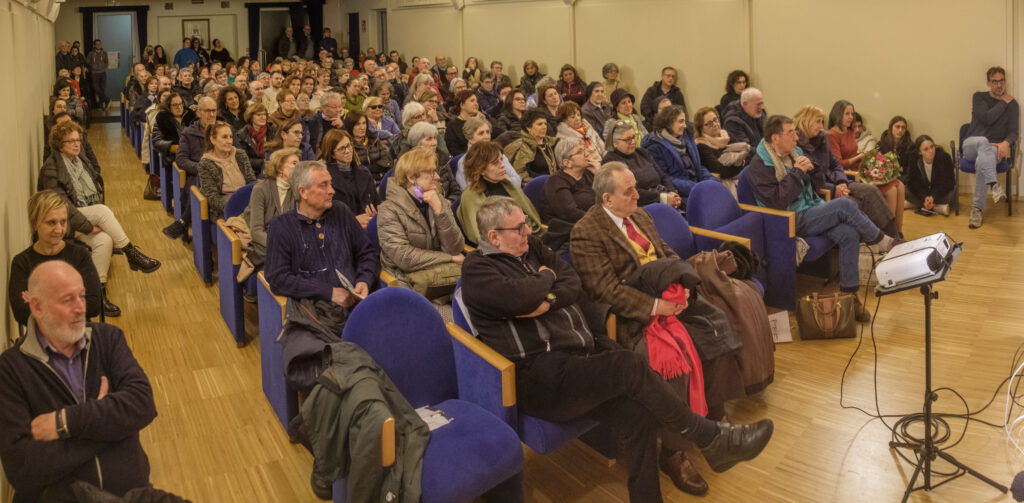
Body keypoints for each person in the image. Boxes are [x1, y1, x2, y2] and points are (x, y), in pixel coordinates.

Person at [466, 195, 773, 502]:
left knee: (637, 413)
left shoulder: (532, 249)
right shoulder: (477, 271)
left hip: (577, 355)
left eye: (525, 226)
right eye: (518, 228)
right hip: (538, 375)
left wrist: (546, 299)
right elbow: (523, 296)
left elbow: (572, 283)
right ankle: (710, 438)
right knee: (630, 365)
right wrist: (547, 277)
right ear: (494, 237)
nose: (528, 233)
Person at [0, 261, 158, 501]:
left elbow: (143, 404)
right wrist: (108, 424)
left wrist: (65, 422)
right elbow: (22, 467)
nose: (81, 308)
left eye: (82, 296)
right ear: (37, 307)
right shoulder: (10, 369)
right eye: (67, 300)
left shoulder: (108, 339)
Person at [749, 115, 896, 314]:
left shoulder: (795, 152)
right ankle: (883, 241)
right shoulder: (760, 165)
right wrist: (798, 172)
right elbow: (777, 201)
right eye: (791, 133)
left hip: (809, 207)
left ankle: (849, 297)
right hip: (787, 220)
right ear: (775, 138)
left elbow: (817, 184)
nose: (796, 137)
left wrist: (812, 169)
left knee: (848, 233)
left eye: (795, 131)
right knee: (845, 206)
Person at [40, 121, 161, 291]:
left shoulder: (78, 160)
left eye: (78, 140)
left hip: (78, 216)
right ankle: (131, 253)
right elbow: (62, 207)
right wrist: (89, 227)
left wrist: (93, 227)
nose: (77, 144)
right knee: (102, 211)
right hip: (62, 223)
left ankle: (98, 292)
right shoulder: (51, 168)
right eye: (71, 141)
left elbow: (94, 180)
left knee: (104, 240)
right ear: (59, 144)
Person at [264, 160, 377, 318]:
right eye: (323, 185)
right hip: (314, 312)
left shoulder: (341, 212)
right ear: (303, 192)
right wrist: (328, 292)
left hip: (357, 304)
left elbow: (367, 252)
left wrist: (364, 280)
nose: (331, 191)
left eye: (330, 184)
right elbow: (278, 278)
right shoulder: (282, 226)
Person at [376, 147, 465, 300]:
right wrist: (447, 258)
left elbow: (455, 247)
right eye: (430, 172)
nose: (437, 177)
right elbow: (404, 258)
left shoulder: (436, 199)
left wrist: (440, 212)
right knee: (450, 320)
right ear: (411, 178)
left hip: (442, 277)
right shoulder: (389, 210)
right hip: (408, 283)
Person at [9, 191, 104, 323]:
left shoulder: (80, 256)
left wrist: (42, 302)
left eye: (63, 222)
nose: (59, 230)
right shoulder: (22, 262)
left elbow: (93, 305)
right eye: (51, 222)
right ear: (35, 223)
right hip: (40, 340)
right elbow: (21, 313)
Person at [828, 101, 906, 234]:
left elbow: (853, 154)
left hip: (859, 169)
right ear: (838, 114)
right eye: (847, 114)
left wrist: (869, 159)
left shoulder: (848, 131)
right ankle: (889, 235)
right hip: (849, 175)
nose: (851, 117)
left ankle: (898, 232)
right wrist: (859, 157)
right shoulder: (831, 135)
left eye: (852, 113)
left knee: (900, 186)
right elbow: (838, 164)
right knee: (891, 190)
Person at [458, 141, 542, 245]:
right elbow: (479, 236)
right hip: (500, 248)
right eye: (495, 163)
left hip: (527, 236)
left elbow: (529, 217)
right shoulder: (470, 196)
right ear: (481, 169)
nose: (502, 165)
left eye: (501, 159)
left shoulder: (508, 186)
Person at [165, 97, 219, 240]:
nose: (212, 115)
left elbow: (237, 153)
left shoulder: (224, 130)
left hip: (222, 173)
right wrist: (201, 168)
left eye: (214, 111)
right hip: (197, 174)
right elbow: (181, 159)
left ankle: (183, 221)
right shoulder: (189, 133)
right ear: (199, 113)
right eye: (208, 111)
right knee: (201, 181)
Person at [602, 120, 683, 210]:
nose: (633, 142)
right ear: (614, 143)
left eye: (634, 137)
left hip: (664, 196)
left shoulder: (641, 152)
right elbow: (630, 192)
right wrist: (663, 198)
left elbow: (663, 176)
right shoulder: (610, 161)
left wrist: (672, 193)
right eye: (628, 139)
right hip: (643, 206)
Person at [642, 105, 717, 201]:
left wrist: (712, 182)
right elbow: (667, 179)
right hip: (680, 194)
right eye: (681, 121)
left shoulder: (686, 137)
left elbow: (698, 168)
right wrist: (697, 188)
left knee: (718, 191)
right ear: (669, 123)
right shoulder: (655, 147)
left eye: (685, 121)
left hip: (697, 186)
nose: (685, 125)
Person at [245, 147, 299, 272]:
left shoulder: (297, 190)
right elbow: (256, 231)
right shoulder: (260, 189)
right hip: (265, 241)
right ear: (279, 168)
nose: (299, 167)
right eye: (294, 163)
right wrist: (280, 246)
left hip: (287, 240)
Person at [197, 121, 257, 221]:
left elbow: (251, 181)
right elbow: (212, 198)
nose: (229, 141)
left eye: (230, 136)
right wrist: (236, 205)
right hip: (226, 207)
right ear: (213, 140)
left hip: (248, 200)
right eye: (224, 137)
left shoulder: (240, 155)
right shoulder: (205, 163)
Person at [317, 129, 379, 226]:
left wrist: (375, 214)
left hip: (368, 225)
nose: (348, 151)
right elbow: (324, 216)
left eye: (349, 145)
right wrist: (353, 220)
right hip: (342, 230)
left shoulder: (364, 173)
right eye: (342, 148)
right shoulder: (324, 178)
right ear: (332, 153)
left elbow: (376, 201)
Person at [693, 106, 750, 196]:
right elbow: (720, 171)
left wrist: (740, 162)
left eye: (715, 119)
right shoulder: (701, 145)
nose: (715, 124)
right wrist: (740, 163)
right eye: (709, 123)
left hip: (741, 177)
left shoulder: (727, 136)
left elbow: (746, 156)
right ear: (701, 128)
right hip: (724, 184)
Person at [541, 137, 597, 224]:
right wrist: (601, 220)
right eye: (580, 152)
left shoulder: (589, 173)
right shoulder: (555, 182)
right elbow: (571, 214)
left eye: (585, 149)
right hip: (570, 229)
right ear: (567, 163)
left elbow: (609, 196)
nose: (587, 153)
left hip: (592, 222)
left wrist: (600, 174)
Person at [406, 121, 460, 201]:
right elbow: (414, 198)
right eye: (429, 139)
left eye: (435, 138)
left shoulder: (443, 159)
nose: (434, 143)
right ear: (416, 142)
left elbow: (456, 191)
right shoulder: (407, 164)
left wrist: (449, 202)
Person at [905, 135, 956, 216]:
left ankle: (916, 204)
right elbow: (912, 182)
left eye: (932, 147)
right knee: (905, 190)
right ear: (919, 152)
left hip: (939, 193)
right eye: (926, 149)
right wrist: (924, 197)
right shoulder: (913, 158)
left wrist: (933, 197)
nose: (931, 151)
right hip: (924, 192)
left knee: (952, 195)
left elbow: (949, 182)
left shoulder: (944, 157)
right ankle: (938, 208)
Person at [505, 109, 558, 183]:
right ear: (528, 127)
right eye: (540, 124)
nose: (544, 127)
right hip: (536, 186)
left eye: (545, 124)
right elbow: (521, 174)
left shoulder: (553, 143)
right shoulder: (523, 147)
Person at [344, 110, 394, 181]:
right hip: (361, 182)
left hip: (382, 178)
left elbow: (388, 161)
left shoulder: (373, 139)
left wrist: (368, 169)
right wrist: (377, 169)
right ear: (350, 126)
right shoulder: (347, 145)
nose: (362, 127)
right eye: (358, 124)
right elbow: (354, 171)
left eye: (364, 123)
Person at [555, 101, 605, 165]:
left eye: (578, 115)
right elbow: (565, 165)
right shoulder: (563, 141)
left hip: (600, 162)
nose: (577, 118)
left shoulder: (588, 128)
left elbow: (601, 145)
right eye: (572, 117)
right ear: (563, 120)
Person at [445, 90, 489, 156]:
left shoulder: (481, 121)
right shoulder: (452, 127)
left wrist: (484, 118)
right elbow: (453, 151)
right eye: (472, 101)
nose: (476, 104)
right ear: (462, 105)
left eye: (476, 101)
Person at [234, 102, 269, 175]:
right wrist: (264, 162)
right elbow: (244, 160)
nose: (263, 117)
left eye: (264, 114)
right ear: (251, 117)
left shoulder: (272, 131)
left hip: (272, 170)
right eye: (259, 115)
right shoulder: (241, 135)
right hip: (253, 173)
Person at [86, 39, 109, 109]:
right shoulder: (91, 53)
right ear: (94, 45)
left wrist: (103, 67)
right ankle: (107, 99)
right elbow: (87, 62)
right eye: (97, 44)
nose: (98, 45)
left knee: (102, 89)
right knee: (96, 88)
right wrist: (92, 68)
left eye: (99, 44)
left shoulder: (104, 53)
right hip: (94, 73)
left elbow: (106, 62)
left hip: (102, 73)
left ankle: (101, 105)